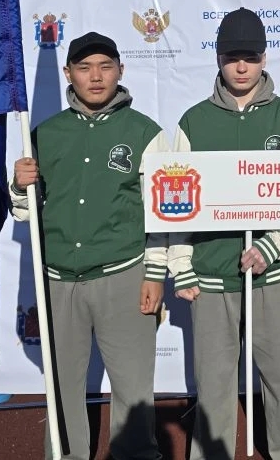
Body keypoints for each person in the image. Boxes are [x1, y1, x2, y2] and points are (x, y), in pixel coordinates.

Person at [10, 31, 170, 460]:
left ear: (120, 70)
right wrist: (19, 186)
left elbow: (163, 214)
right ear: (69, 73)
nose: (95, 77)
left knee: (133, 388)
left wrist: (155, 273)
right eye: (84, 68)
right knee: (61, 386)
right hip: (59, 281)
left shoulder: (145, 133)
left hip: (124, 275)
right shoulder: (44, 134)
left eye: (105, 66)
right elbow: (25, 213)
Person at [168, 7, 280, 460]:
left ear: (264, 58)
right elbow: (176, 202)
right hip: (213, 276)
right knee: (214, 384)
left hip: (273, 275)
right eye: (232, 57)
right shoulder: (193, 122)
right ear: (218, 58)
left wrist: (274, 244)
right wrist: (180, 264)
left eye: (250, 57)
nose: (241, 67)